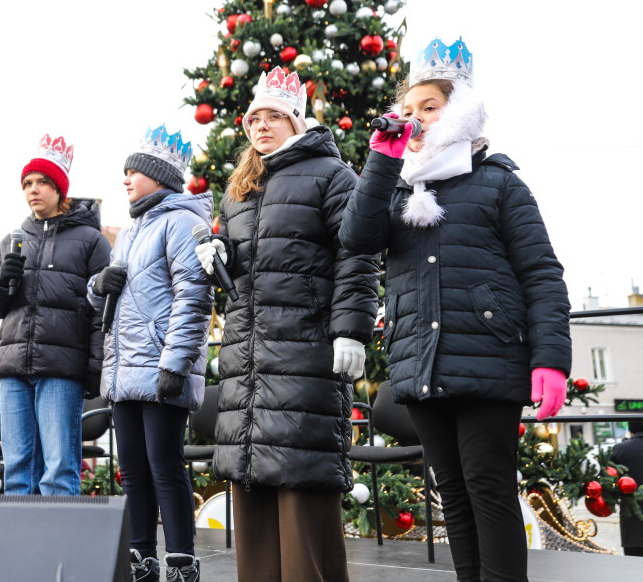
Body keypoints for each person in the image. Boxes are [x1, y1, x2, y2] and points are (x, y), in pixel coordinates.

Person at [339, 37, 571, 582]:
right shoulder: (397, 191)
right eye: (409, 109)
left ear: (458, 110)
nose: (416, 119)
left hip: (489, 358)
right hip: (423, 360)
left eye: (430, 107)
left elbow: (541, 272)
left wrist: (551, 359)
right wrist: (380, 159)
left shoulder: (498, 184)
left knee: (488, 489)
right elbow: (355, 237)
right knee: (455, 497)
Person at [198, 67, 379, 582]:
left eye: (274, 116)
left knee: (302, 497)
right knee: (251, 504)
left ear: (296, 121)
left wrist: (352, 329)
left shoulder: (332, 175)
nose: (261, 125)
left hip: (303, 359)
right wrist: (219, 258)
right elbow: (246, 274)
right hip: (246, 365)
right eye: (255, 117)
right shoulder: (238, 189)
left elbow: (358, 254)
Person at [90, 125, 213, 582]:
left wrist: (176, 363)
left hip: (161, 370)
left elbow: (194, 297)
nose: (126, 179)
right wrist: (97, 287)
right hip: (125, 372)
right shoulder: (129, 232)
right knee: (133, 471)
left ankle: (181, 558)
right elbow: (111, 296)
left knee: (165, 466)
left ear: (158, 175)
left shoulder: (182, 222)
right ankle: (141, 556)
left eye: (133, 171)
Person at [0, 134, 110, 496]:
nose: (32, 190)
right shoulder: (11, 240)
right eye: (27, 183)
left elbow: (103, 309)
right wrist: (2, 280)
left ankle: (62, 548)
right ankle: (17, 546)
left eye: (41, 182)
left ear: (59, 187)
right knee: (18, 467)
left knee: (58, 466)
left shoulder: (91, 240)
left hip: (61, 367)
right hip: (13, 367)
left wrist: (95, 366)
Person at [611, 419, 643, 556]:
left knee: (634, 567)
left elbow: (609, 478)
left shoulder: (621, 449)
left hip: (632, 519)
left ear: (630, 430)